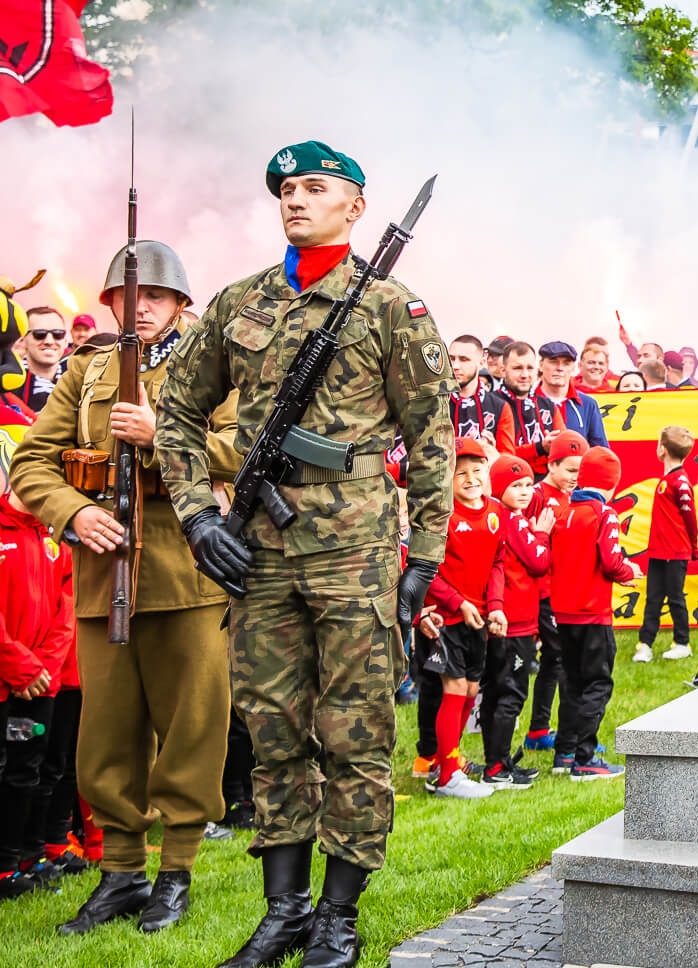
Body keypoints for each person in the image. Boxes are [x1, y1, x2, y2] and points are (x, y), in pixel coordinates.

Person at [153, 141, 453, 968]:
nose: (295, 199)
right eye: (285, 188)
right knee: (273, 728)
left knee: (353, 733)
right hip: (258, 550)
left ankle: (338, 917)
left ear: (355, 206)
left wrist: (424, 551)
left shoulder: (393, 307)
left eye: (315, 187)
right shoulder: (237, 302)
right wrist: (197, 516)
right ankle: (282, 910)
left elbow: (433, 439)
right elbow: (175, 411)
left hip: (354, 547)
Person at [11, 241, 236, 935]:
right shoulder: (87, 370)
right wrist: (73, 512)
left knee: (192, 728)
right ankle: (121, 875)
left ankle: (176, 872)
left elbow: (243, 447)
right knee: (106, 737)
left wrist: (163, 434)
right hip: (102, 579)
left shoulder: (216, 367)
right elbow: (32, 463)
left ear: (178, 304)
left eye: (155, 297)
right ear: (108, 302)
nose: (139, 307)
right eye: (127, 296)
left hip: (185, 576)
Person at [0, 434, 74, 901]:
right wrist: (19, 665)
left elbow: (67, 607)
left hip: (40, 684)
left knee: (29, 768)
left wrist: (41, 668)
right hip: (11, 680)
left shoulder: (52, 536)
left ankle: (22, 859)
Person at [419, 438, 503, 800]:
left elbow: (498, 562)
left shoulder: (495, 513)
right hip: (446, 618)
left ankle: (446, 759)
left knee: (470, 690)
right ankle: (447, 777)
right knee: (453, 690)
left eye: (476, 470)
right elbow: (424, 570)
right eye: (460, 472)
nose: (470, 478)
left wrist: (495, 605)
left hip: (478, 617)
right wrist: (456, 603)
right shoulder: (440, 516)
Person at [548, 446, 632, 779]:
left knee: (571, 682)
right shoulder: (603, 513)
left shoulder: (566, 511)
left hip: (563, 612)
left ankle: (564, 753)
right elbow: (611, 560)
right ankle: (585, 756)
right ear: (611, 482)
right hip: (592, 612)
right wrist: (629, 572)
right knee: (598, 683)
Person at [479, 455, 550, 789]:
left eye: (527, 486)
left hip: (502, 618)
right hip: (516, 619)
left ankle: (499, 760)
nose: (524, 492)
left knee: (496, 690)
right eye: (515, 486)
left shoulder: (495, 515)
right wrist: (543, 534)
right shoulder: (515, 521)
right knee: (512, 692)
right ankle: (497, 767)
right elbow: (538, 562)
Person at [522, 430, 588, 755]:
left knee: (554, 661)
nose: (576, 477)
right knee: (561, 659)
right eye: (571, 470)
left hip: (567, 591)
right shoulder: (536, 495)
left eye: (581, 470)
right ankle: (560, 735)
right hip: (544, 592)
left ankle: (539, 731)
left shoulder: (574, 497)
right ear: (552, 464)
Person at [635, 426, 698, 663]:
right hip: (658, 553)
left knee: (675, 598)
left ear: (662, 449)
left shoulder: (680, 482)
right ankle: (645, 644)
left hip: (676, 552)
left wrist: (692, 547)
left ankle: (682, 642)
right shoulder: (667, 480)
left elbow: (690, 517)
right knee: (653, 598)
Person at [14, 307, 66, 412]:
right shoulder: (8, 384)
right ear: (22, 340)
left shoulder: (80, 382)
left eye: (58, 334)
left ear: (65, 341)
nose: (49, 341)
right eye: (39, 334)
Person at [447, 334, 494, 448]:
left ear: (482, 363)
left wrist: (491, 452)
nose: (455, 366)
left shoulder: (499, 406)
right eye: (452, 358)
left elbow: (507, 457)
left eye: (464, 359)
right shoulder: (434, 403)